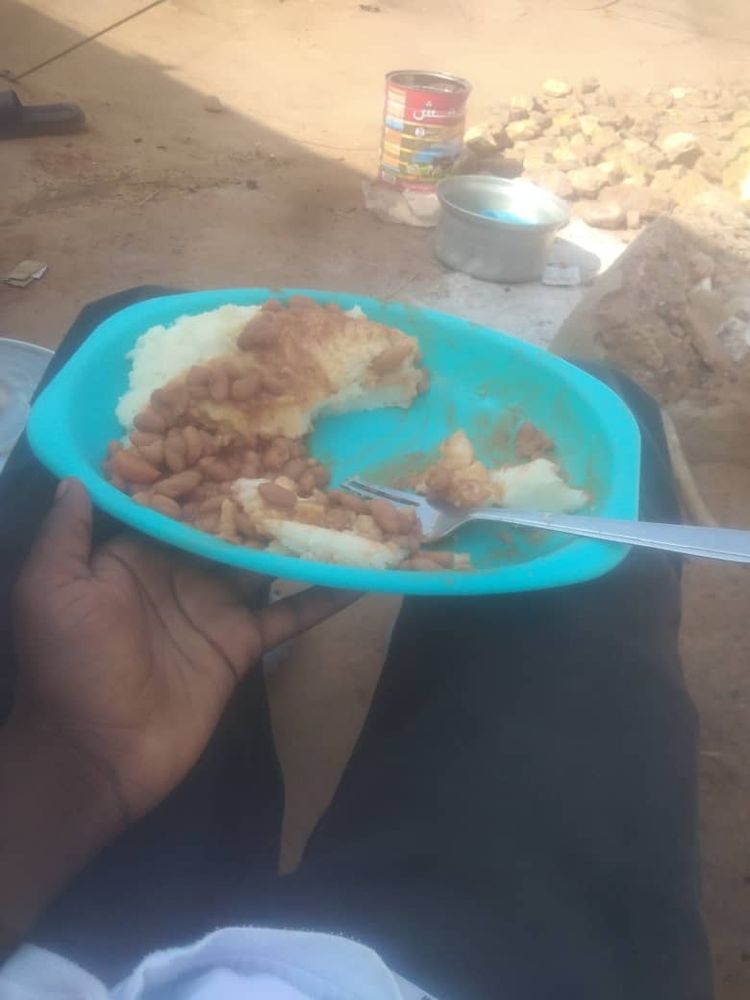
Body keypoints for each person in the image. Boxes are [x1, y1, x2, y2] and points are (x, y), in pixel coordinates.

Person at [0, 289, 713, 999]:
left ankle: (232, 709)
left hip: (52, 922)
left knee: (125, 311)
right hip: (458, 975)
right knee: (612, 416)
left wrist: (81, 756)